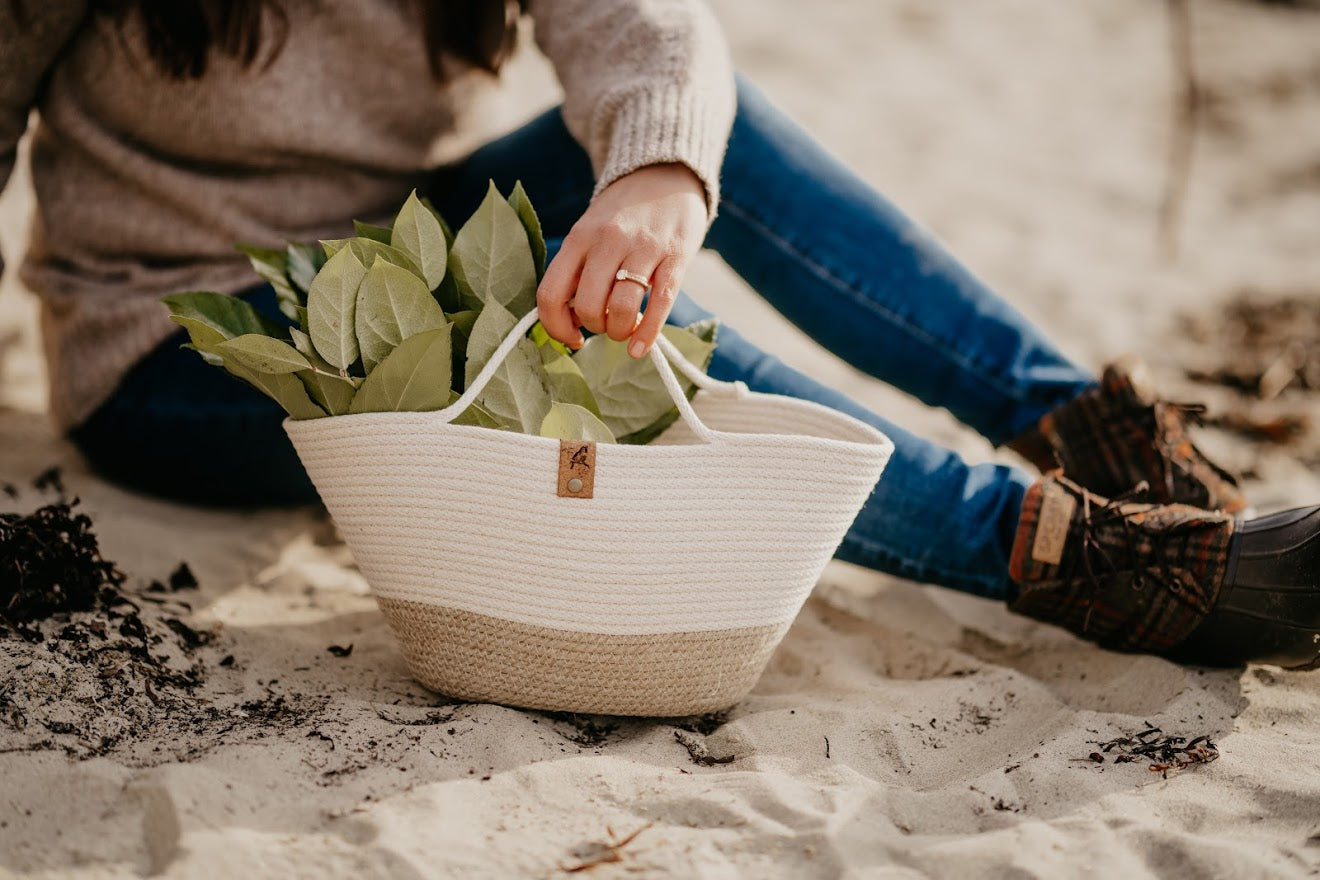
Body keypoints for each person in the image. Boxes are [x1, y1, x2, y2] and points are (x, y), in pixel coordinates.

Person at [3, 0, 1316, 670]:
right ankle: (1061, 554)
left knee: (693, 128)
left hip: (388, 239)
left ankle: (1106, 446)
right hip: (177, 344)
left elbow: (648, 27)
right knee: (565, 326)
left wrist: (661, 178)